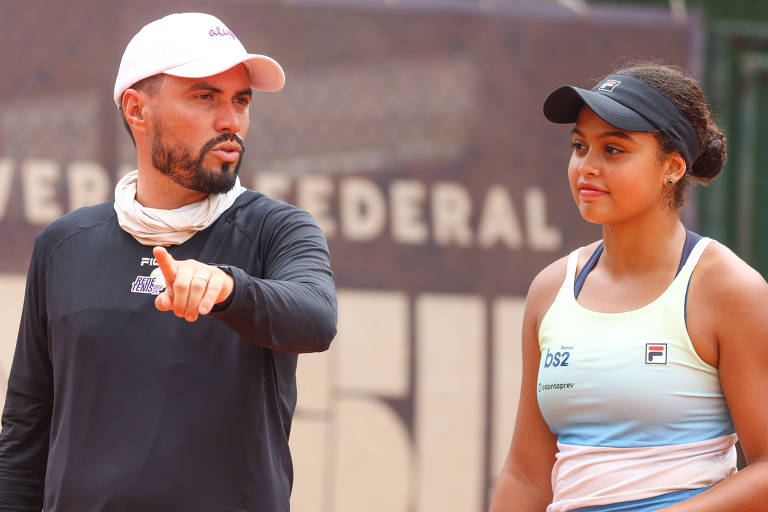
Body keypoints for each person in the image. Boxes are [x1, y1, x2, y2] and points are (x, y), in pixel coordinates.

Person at [0, 12, 337, 511]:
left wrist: (228, 288)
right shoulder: (63, 245)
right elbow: (26, 431)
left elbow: (316, 318)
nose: (231, 121)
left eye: (240, 101)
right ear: (137, 109)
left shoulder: (279, 230)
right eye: (205, 97)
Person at [489, 63, 768, 511]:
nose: (586, 167)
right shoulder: (550, 290)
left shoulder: (729, 288)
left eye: (614, 149)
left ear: (672, 167)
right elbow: (526, 473)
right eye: (580, 146)